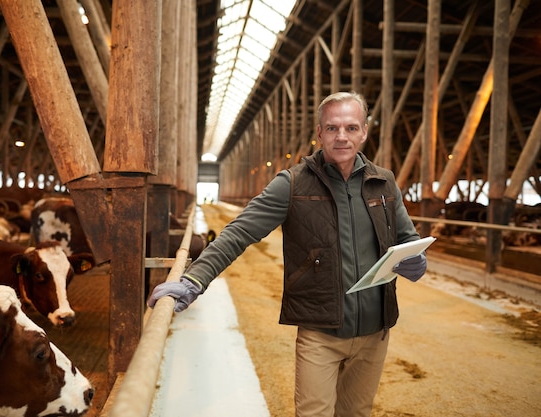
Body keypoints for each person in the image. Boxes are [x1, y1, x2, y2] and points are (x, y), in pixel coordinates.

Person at [148, 91, 427, 417]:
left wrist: (416, 261)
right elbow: (239, 232)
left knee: (357, 413)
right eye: (332, 128)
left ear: (364, 132)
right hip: (321, 332)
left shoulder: (385, 183)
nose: (342, 136)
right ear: (319, 133)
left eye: (351, 128)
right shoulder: (293, 184)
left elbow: (408, 239)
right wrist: (195, 279)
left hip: (375, 333)